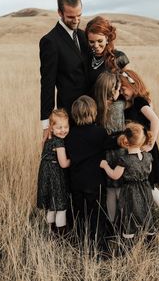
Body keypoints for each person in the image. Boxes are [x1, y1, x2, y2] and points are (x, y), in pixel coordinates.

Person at [120, 69, 159, 237]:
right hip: (136, 148)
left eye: (124, 87)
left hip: (145, 149)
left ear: (133, 84)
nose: (122, 90)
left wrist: (150, 143)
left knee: (149, 186)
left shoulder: (139, 102)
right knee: (146, 187)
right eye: (120, 88)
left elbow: (155, 120)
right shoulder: (126, 103)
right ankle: (154, 218)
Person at [39, 0, 90, 143]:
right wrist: (47, 124)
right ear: (60, 13)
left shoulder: (84, 36)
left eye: (79, 15)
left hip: (91, 112)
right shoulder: (50, 41)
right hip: (69, 116)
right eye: (71, 17)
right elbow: (47, 83)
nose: (76, 20)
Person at [65, 95, 109, 249]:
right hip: (96, 182)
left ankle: (79, 242)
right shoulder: (100, 133)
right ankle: (99, 245)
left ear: (74, 115)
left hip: (76, 182)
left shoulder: (69, 135)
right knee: (96, 214)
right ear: (93, 113)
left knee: (79, 213)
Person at [100, 122, 155, 243]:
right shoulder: (148, 156)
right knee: (145, 212)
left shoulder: (124, 160)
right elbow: (148, 170)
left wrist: (105, 166)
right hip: (145, 189)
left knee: (129, 214)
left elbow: (115, 175)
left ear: (125, 140)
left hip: (130, 191)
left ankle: (128, 241)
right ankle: (150, 237)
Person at [94, 71, 126, 224]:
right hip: (120, 151)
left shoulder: (97, 108)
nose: (120, 92)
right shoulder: (120, 105)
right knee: (120, 190)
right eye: (118, 89)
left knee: (110, 192)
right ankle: (124, 224)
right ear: (113, 91)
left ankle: (112, 223)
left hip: (105, 154)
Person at [37, 109, 71, 235]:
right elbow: (63, 163)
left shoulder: (47, 140)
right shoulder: (59, 142)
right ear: (51, 128)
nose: (63, 130)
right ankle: (60, 235)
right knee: (60, 206)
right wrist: (74, 159)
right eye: (59, 127)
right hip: (55, 175)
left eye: (66, 126)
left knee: (51, 206)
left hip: (45, 174)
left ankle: (50, 231)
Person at [85, 16, 129, 89]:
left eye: (100, 41)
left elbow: (131, 85)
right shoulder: (86, 58)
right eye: (91, 42)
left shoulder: (119, 57)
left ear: (107, 38)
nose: (96, 45)